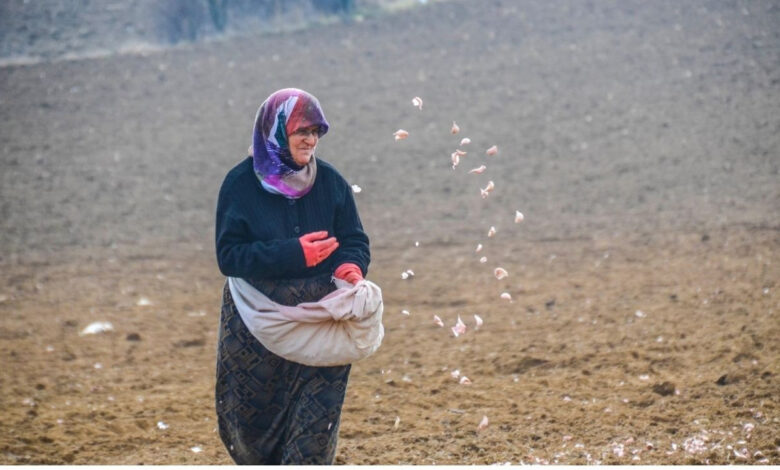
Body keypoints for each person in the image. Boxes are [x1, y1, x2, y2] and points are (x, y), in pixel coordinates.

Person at [214, 88, 370, 464]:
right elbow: (229, 255)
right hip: (255, 326)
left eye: (317, 132)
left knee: (313, 438)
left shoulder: (331, 182)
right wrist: (293, 253)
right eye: (302, 130)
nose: (311, 140)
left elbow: (354, 239)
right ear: (275, 131)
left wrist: (351, 267)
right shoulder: (239, 186)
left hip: (321, 321)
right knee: (249, 434)